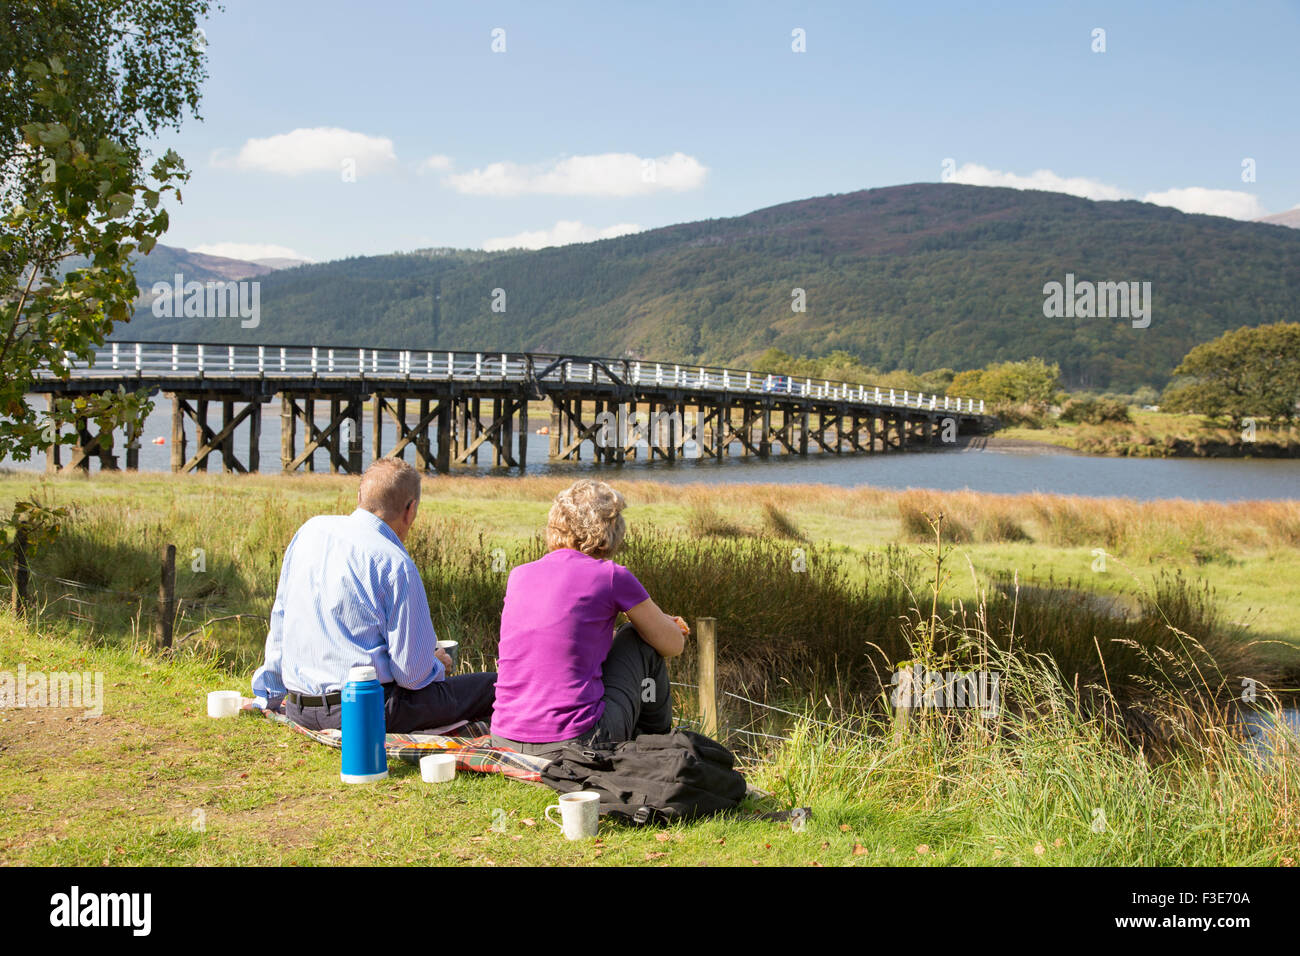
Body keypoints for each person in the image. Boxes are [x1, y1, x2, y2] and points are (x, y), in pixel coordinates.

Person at [251, 458, 496, 733]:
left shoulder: (309, 531)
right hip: (365, 710)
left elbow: (281, 615)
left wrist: (270, 696)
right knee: (492, 686)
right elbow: (412, 677)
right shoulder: (395, 563)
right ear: (410, 509)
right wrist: (435, 664)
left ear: (359, 497)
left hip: (299, 708)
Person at [490, 479, 687, 758]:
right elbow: (672, 645)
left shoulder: (518, 575)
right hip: (576, 741)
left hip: (503, 737)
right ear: (612, 528)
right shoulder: (612, 575)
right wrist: (661, 625)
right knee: (637, 638)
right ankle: (657, 748)